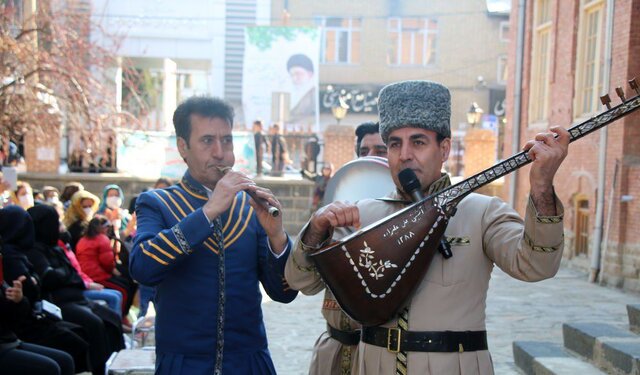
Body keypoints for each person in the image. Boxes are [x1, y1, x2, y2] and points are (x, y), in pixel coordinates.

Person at [286, 80, 569, 375]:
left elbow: (537, 265)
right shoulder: (362, 215)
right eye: (395, 143)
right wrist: (315, 232)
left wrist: (541, 187)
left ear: (444, 148)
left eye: (418, 142)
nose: (404, 154)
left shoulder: (482, 212)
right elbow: (301, 282)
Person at [129, 96, 298, 374]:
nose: (220, 153)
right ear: (183, 147)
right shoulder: (156, 203)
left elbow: (284, 294)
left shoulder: (250, 207)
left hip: (248, 363)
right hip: (184, 366)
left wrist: (277, 238)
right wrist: (208, 212)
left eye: (227, 140)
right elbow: (142, 268)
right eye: (207, 141)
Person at [26, 205, 125, 374]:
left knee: (113, 318)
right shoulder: (35, 250)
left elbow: (72, 273)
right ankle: (98, 369)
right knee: (94, 325)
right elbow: (50, 277)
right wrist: (65, 274)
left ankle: (117, 366)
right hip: (59, 302)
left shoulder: (55, 247)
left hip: (76, 297)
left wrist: (64, 274)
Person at [0, 272, 75, 375]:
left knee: (65, 360)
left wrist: (18, 300)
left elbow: (16, 320)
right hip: (3, 346)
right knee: (49, 368)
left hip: (9, 340)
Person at [76, 216, 137, 328]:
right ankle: (119, 319)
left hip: (88, 274)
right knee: (123, 290)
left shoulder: (82, 239)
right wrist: (114, 270)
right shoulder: (102, 239)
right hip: (97, 276)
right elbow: (107, 262)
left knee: (124, 284)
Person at [287, 53, 317, 122]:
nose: (295, 78)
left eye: (298, 74)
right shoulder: (294, 93)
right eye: (292, 75)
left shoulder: (312, 94)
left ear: (310, 74)